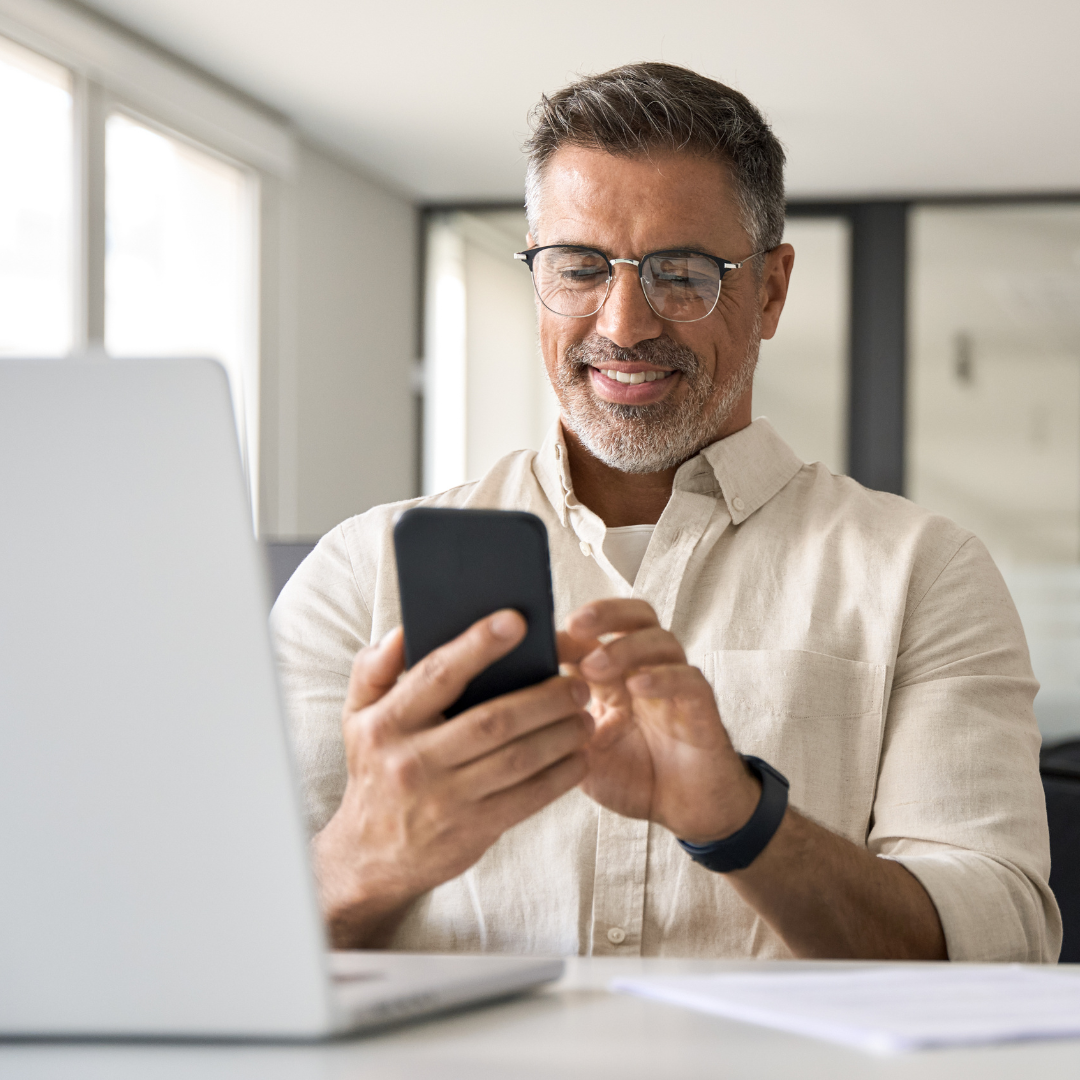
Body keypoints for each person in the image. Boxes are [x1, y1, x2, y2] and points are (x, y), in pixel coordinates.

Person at [271, 62, 1060, 962]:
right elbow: (216, 949)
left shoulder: (923, 571)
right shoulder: (359, 571)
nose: (625, 321)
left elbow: (1002, 944)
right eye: (578, 268)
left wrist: (737, 817)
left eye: (681, 273)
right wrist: (376, 849)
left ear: (768, 291)